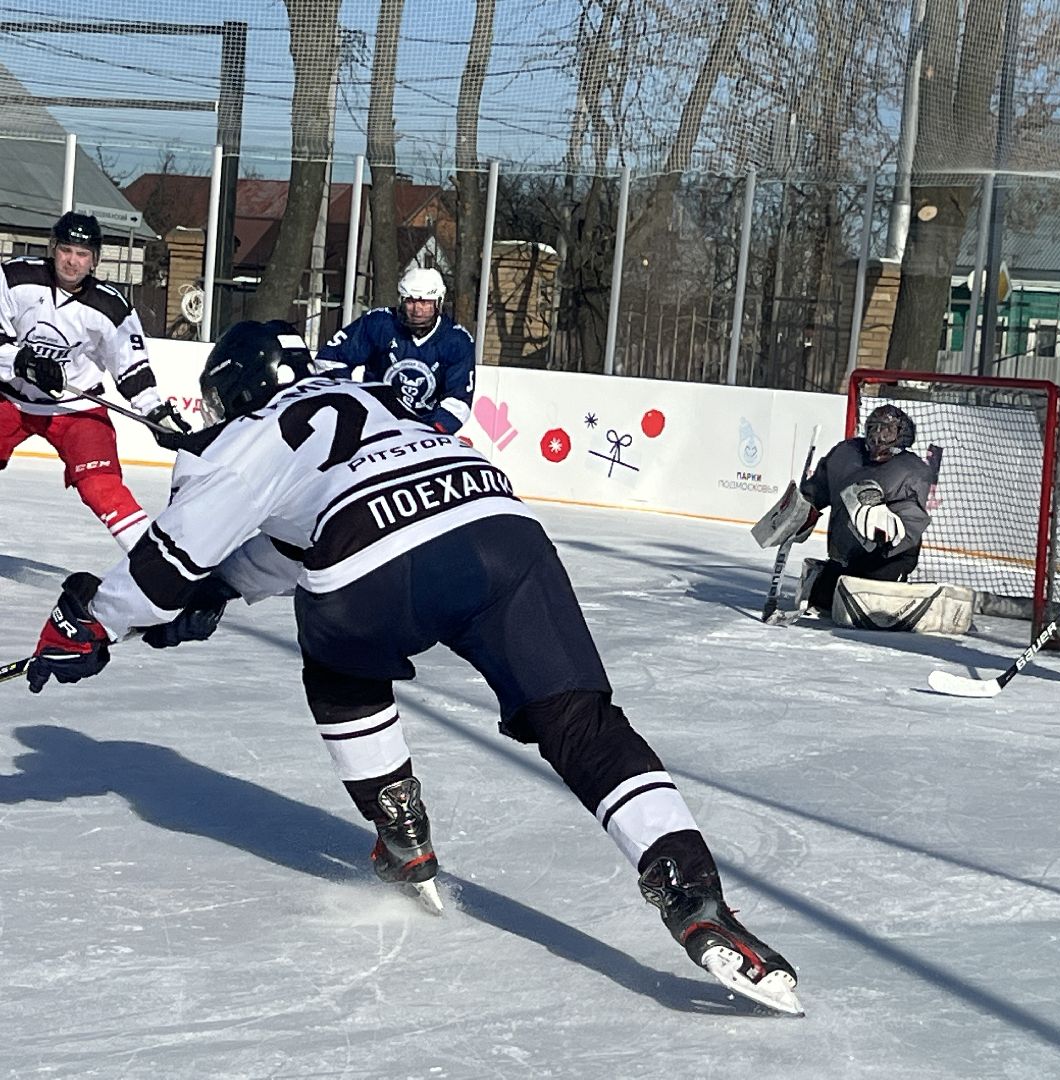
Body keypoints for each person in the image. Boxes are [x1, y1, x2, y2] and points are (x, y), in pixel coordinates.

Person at [21, 320, 801, 1015]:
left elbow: (168, 564)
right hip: (500, 530)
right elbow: (280, 548)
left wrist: (91, 621)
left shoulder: (245, 433)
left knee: (339, 664)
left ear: (237, 390)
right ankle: (691, 888)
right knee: (581, 722)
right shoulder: (376, 394)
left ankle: (400, 830)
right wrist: (216, 589)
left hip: (372, 560)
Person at [0, 211, 190, 549]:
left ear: (95, 260)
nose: (72, 261)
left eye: (82, 254)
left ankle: (155, 564)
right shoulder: (15, 277)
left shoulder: (111, 307)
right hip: (10, 400)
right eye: (65, 250)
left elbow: (132, 369)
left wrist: (155, 412)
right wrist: (22, 361)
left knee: (102, 486)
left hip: (75, 408)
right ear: (53, 248)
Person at [792, 404, 933, 615]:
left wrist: (885, 522)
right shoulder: (846, 454)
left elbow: (911, 519)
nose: (877, 437)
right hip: (847, 555)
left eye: (886, 431)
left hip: (886, 558)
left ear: (901, 435)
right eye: (873, 429)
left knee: (867, 608)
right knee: (821, 600)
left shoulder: (912, 470)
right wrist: (799, 508)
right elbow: (818, 489)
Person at [314, 266, 476, 435]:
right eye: (411, 301)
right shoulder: (379, 323)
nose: (418, 310)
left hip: (424, 430)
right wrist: (350, 404)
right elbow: (329, 359)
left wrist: (430, 432)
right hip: (372, 423)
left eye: (426, 303)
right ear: (401, 300)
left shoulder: (457, 341)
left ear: (438, 303)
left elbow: (458, 401)